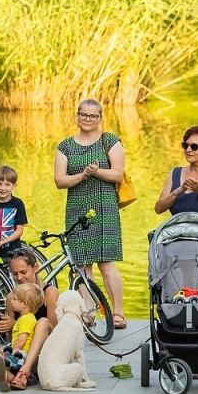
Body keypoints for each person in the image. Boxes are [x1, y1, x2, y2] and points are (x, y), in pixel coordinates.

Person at [55, 99, 127, 328]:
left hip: (104, 207)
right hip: (77, 208)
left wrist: (97, 172)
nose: (87, 119)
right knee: (82, 264)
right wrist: (83, 175)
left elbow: (117, 174)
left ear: (100, 118)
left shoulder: (111, 141)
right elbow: (59, 180)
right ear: (77, 116)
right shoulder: (65, 146)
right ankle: (89, 311)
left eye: (92, 116)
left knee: (106, 264)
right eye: (83, 115)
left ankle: (117, 312)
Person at [0, 249, 61, 390]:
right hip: (21, 352)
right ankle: (7, 375)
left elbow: (54, 332)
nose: (19, 278)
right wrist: (8, 327)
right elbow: (13, 339)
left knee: (43, 322)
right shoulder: (12, 298)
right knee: (3, 350)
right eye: (14, 274)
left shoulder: (49, 293)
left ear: (35, 268)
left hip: (43, 352)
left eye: (24, 272)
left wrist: (18, 323)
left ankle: (24, 371)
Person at [0, 283, 44, 391]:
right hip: (21, 352)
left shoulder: (25, 319)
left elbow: (22, 340)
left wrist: (11, 352)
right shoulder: (26, 318)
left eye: (14, 299)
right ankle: (5, 378)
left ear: (24, 304)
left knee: (1, 356)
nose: (11, 301)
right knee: (2, 355)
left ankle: (1, 374)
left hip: (22, 353)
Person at [0, 166, 29, 257]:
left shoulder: (18, 204)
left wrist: (2, 243)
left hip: (13, 250)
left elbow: (19, 231)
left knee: (13, 270)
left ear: (14, 186)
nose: (3, 188)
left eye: (7, 184)